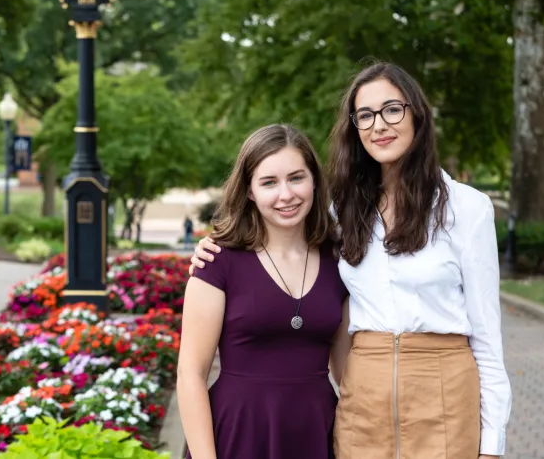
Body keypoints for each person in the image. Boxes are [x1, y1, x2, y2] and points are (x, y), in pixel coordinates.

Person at [189, 62, 512, 459]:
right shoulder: (342, 212)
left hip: (443, 392)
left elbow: (488, 340)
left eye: (392, 109)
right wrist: (210, 250)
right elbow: (273, 238)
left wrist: (492, 443)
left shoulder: (467, 209)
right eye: (365, 115)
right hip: (363, 404)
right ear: (354, 128)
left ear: (417, 114)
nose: (379, 125)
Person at [177, 124, 351, 459]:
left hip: (316, 433)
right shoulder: (218, 260)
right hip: (237, 435)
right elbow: (190, 375)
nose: (286, 194)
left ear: (314, 180)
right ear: (250, 191)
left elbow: (345, 373)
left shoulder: (338, 261)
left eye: (296, 178)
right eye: (269, 182)